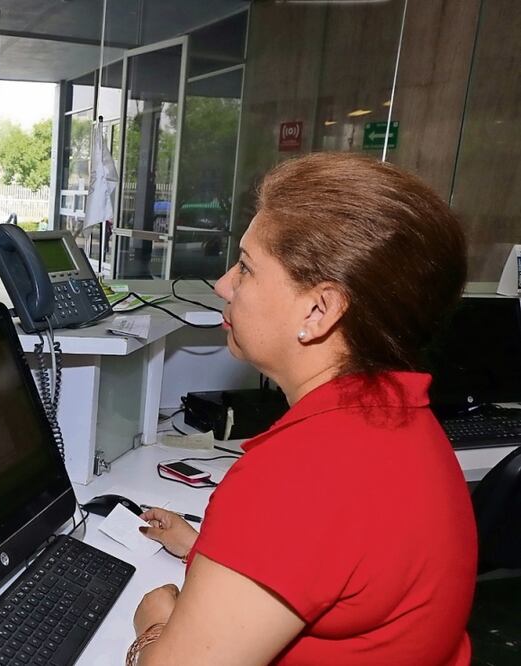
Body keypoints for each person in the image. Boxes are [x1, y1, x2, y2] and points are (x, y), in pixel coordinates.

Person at [127, 153, 475, 665]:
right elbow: (330, 557)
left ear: (319, 311)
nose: (224, 284)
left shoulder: (304, 472)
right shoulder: (400, 416)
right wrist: (201, 548)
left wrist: (153, 626)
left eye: (246, 267)